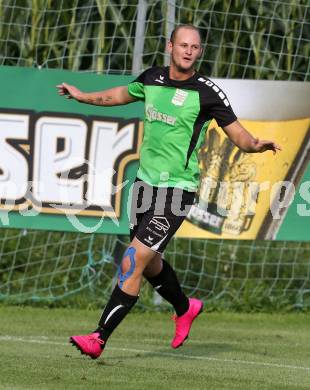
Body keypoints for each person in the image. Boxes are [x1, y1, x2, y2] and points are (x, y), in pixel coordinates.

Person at [57, 24, 281, 359]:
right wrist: (82, 96)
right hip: (144, 186)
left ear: (199, 52)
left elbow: (239, 135)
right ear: (170, 46)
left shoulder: (207, 92)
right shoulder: (151, 79)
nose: (189, 51)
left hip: (177, 192)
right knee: (149, 263)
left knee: (132, 260)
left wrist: (255, 145)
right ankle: (185, 307)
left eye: (195, 46)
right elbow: (118, 95)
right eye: (183, 45)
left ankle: (99, 337)